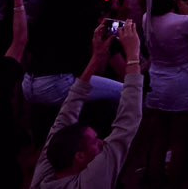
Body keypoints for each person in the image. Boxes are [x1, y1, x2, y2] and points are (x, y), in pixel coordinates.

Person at [32, 20, 143, 189]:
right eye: (95, 142)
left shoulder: (45, 174)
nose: (102, 142)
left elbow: (65, 115)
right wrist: (133, 56)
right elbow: (126, 125)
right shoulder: (90, 182)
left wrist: (96, 58)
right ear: (80, 157)